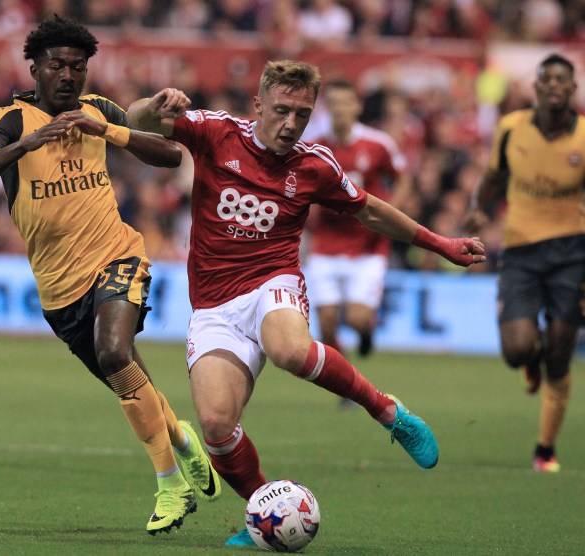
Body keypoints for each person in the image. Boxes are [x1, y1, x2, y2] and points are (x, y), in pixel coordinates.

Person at [127, 60, 486, 545]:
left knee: (290, 350)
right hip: (213, 306)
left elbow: (373, 211)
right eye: (281, 110)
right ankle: (262, 512)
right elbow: (135, 121)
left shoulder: (314, 164)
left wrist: (440, 243)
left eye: (302, 113)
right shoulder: (216, 132)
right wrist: (154, 105)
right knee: (215, 425)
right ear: (258, 105)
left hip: (272, 281)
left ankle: (389, 414)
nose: (291, 123)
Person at [0, 16, 221, 535]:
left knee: (114, 352)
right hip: (59, 290)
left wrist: (109, 129)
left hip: (118, 255)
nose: (68, 75)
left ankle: (169, 483)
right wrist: (29, 146)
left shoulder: (97, 109)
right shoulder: (8, 121)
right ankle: (184, 440)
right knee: (128, 376)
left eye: (78, 67)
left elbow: (169, 153)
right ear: (34, 67)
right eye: (57, 65)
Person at [464, 53, 585, 473]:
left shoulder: (584, 137)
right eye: (545, 79)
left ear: (572, 89)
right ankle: (528, 363)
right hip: (520, 251)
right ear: (536, 88)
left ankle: (545, 449)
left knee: (560, 352)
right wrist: (478, 209)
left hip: (572, 252)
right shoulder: (511, 128)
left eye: (561, 80)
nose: (553, 85)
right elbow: (494, 176)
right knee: (517, 350)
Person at [304, 78, 413, 359]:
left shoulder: (378, 144)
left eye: (346, 103)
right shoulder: (315, 148)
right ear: (327, 108)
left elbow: (402, 179)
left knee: (356, 319)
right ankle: (347, 386)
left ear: (357, 106)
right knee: (326, 325)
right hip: (326, 243)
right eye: (334, 104)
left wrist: (389, 214)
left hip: (367, 245)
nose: (340, 110)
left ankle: (366, 332)